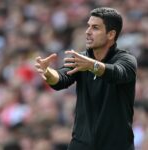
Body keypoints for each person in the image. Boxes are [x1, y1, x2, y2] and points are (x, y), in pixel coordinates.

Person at [35, 7, 137, 150]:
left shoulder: (126, 59)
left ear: (111, 34)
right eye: (88, 26)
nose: (87, 31)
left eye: (95, 28)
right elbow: (60, 80)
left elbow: (117, 73)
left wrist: (92, 65)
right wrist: (47, 72)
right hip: (81, 144)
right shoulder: (82, 59)